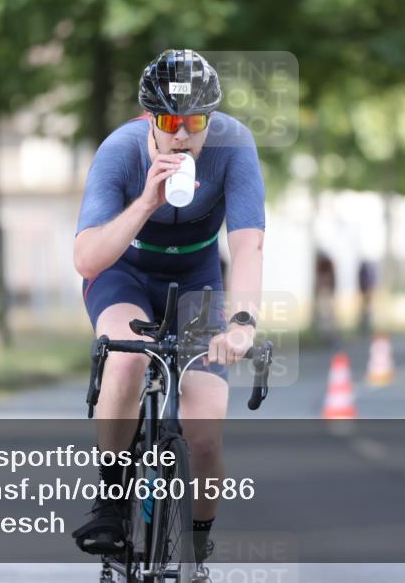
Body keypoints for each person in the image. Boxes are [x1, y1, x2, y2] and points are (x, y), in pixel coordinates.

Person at [71, 49, 265, 579]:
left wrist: (242, 323)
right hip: (123, 275)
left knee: (204, 432)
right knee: (128, 360)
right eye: (169, 122)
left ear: (211, 120)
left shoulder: (234, 146)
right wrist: (145, 203)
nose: (182, 135)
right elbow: (87, 258)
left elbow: (247, 247)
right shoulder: (120, 151)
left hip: (196, 283)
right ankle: (111, 501)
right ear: (150, 120)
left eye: (195, 122)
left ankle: (197, 553)